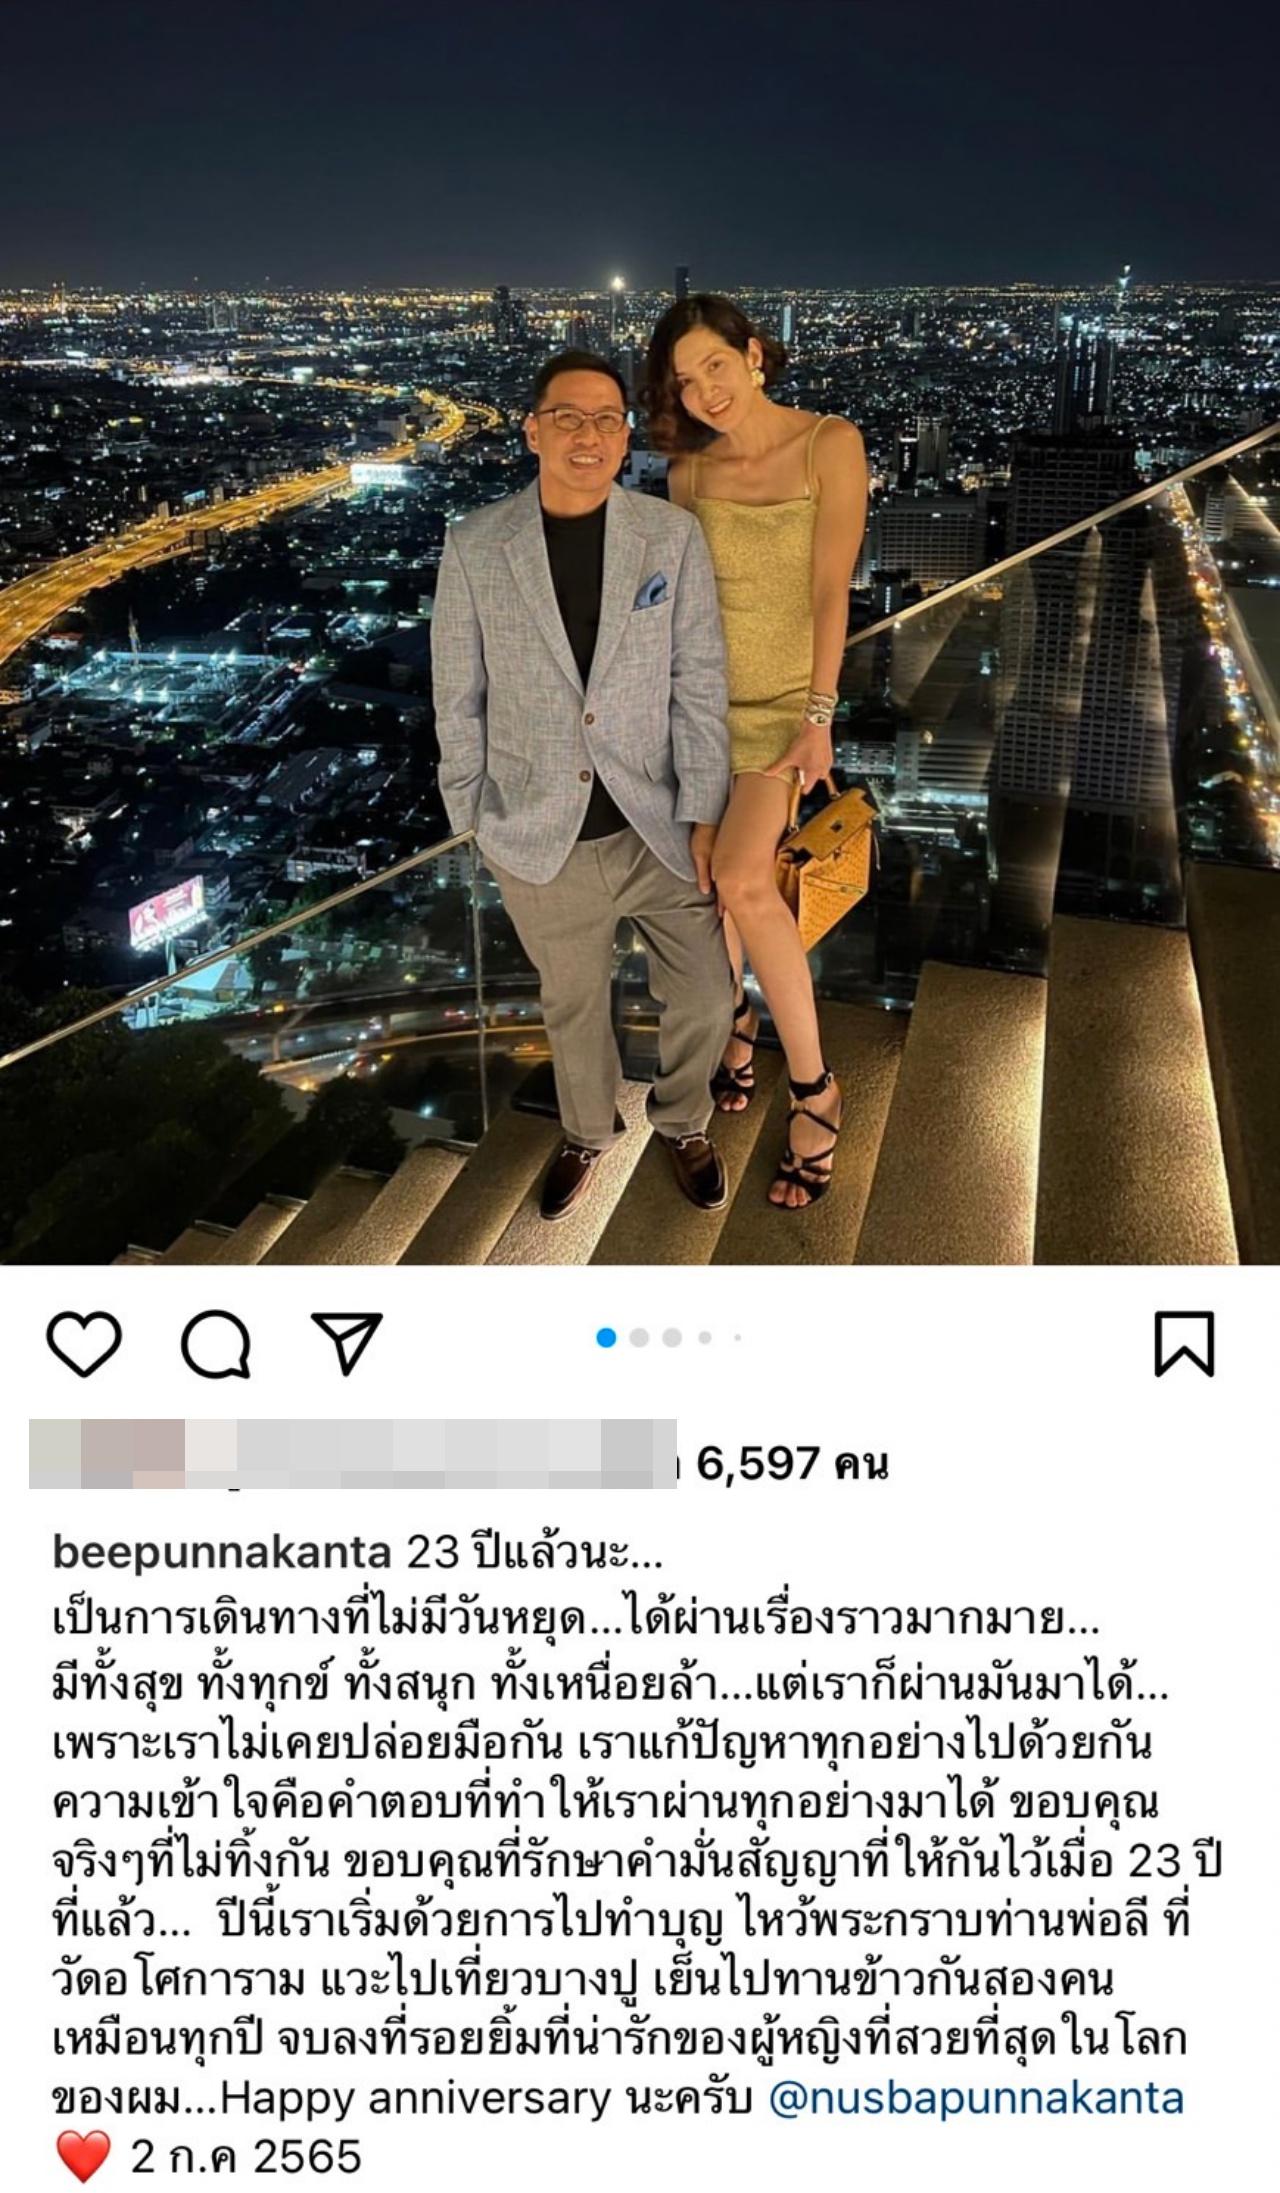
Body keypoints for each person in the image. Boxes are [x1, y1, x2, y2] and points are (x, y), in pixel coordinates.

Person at [431, 349, 735, 1225]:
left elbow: (698, 682)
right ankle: (586, 1132)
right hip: (537, 834)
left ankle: (682, 1120)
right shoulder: (476, 543)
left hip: (656, 822)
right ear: (533, 430)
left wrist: (703, 809)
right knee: (571, 1008)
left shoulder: (669, 536)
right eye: (568, 417)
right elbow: (457, 697)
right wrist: (475, 823)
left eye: (607, 419)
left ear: (626, 435)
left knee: (708, 993)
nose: (589, 435)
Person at [642, 296, 868, 1209]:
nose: (705, 392)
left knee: (740, 875)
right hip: (700, 709)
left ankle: (815, 1088)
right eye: (685, 382)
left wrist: (818, 715)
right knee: (702, 881)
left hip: (781, 713)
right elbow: (683, 610)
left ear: (754, 355)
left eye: (715, 366)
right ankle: (735, 1020)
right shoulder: (688, 471)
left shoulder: (828, 445)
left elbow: (830, 592)